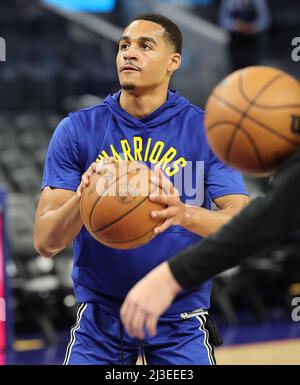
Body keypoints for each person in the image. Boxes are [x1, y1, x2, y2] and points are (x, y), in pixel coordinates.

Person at [34, 13, 248, 365]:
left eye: (145, 46)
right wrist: (82, 199)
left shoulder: (206, 132)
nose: (129, 54)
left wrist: (183, 214)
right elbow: (45, 242)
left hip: (178, 316)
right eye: (124, 46)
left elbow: (241, 225)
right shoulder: (77, 130)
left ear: (173, 62)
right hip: (101, 320)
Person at [120, 144, 300, 340]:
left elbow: (257, 220)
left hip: (183, 312)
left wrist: (172, 275)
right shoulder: (85, 128)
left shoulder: (204, 138)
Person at [218, 0, 270, 70]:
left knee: (253, 68)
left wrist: (251, 27)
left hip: (252, 42)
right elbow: (222, 20)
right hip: (235, 42)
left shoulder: (258, 2)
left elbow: (264, 20)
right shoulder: (228, 1)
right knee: (235, 68)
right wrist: (236, 25)